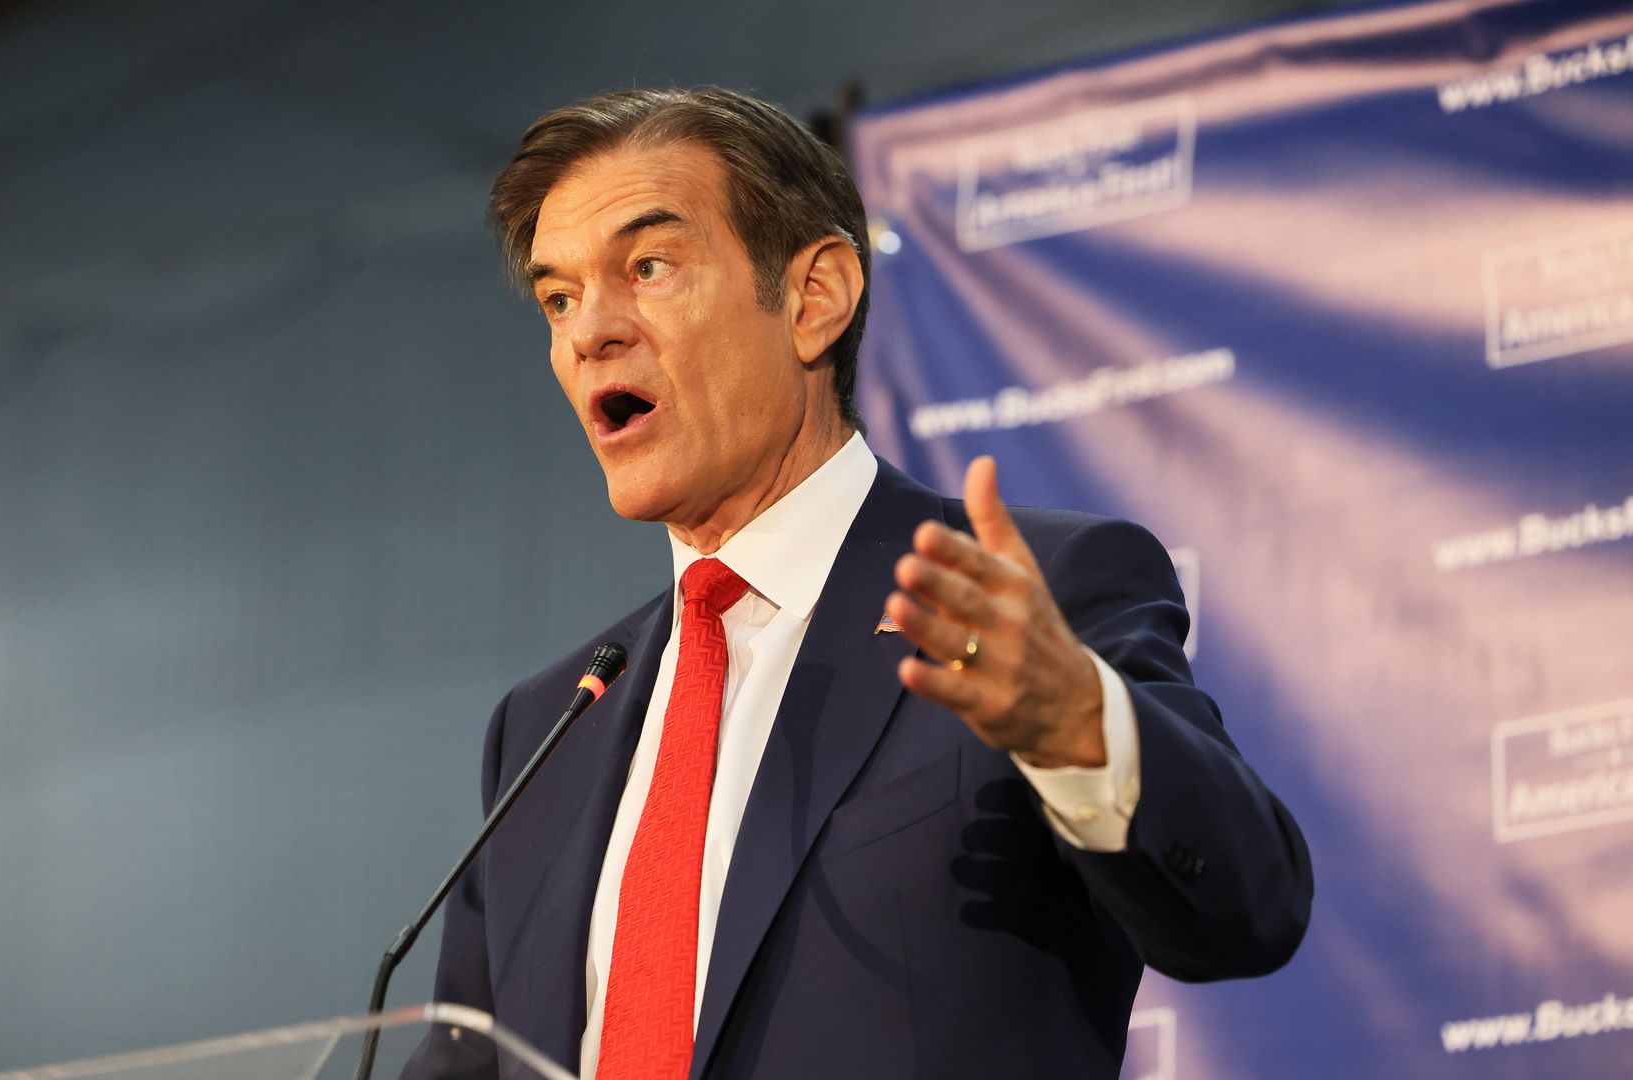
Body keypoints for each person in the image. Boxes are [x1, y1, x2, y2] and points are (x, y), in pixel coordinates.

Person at [403, 87, 1311, 1080]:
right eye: (560, 298)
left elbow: (1245, 910)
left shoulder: (1032, 597)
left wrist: (1078, 727)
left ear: (814, 297)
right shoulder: (547, 731)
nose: (589, 335)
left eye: (649, 267)